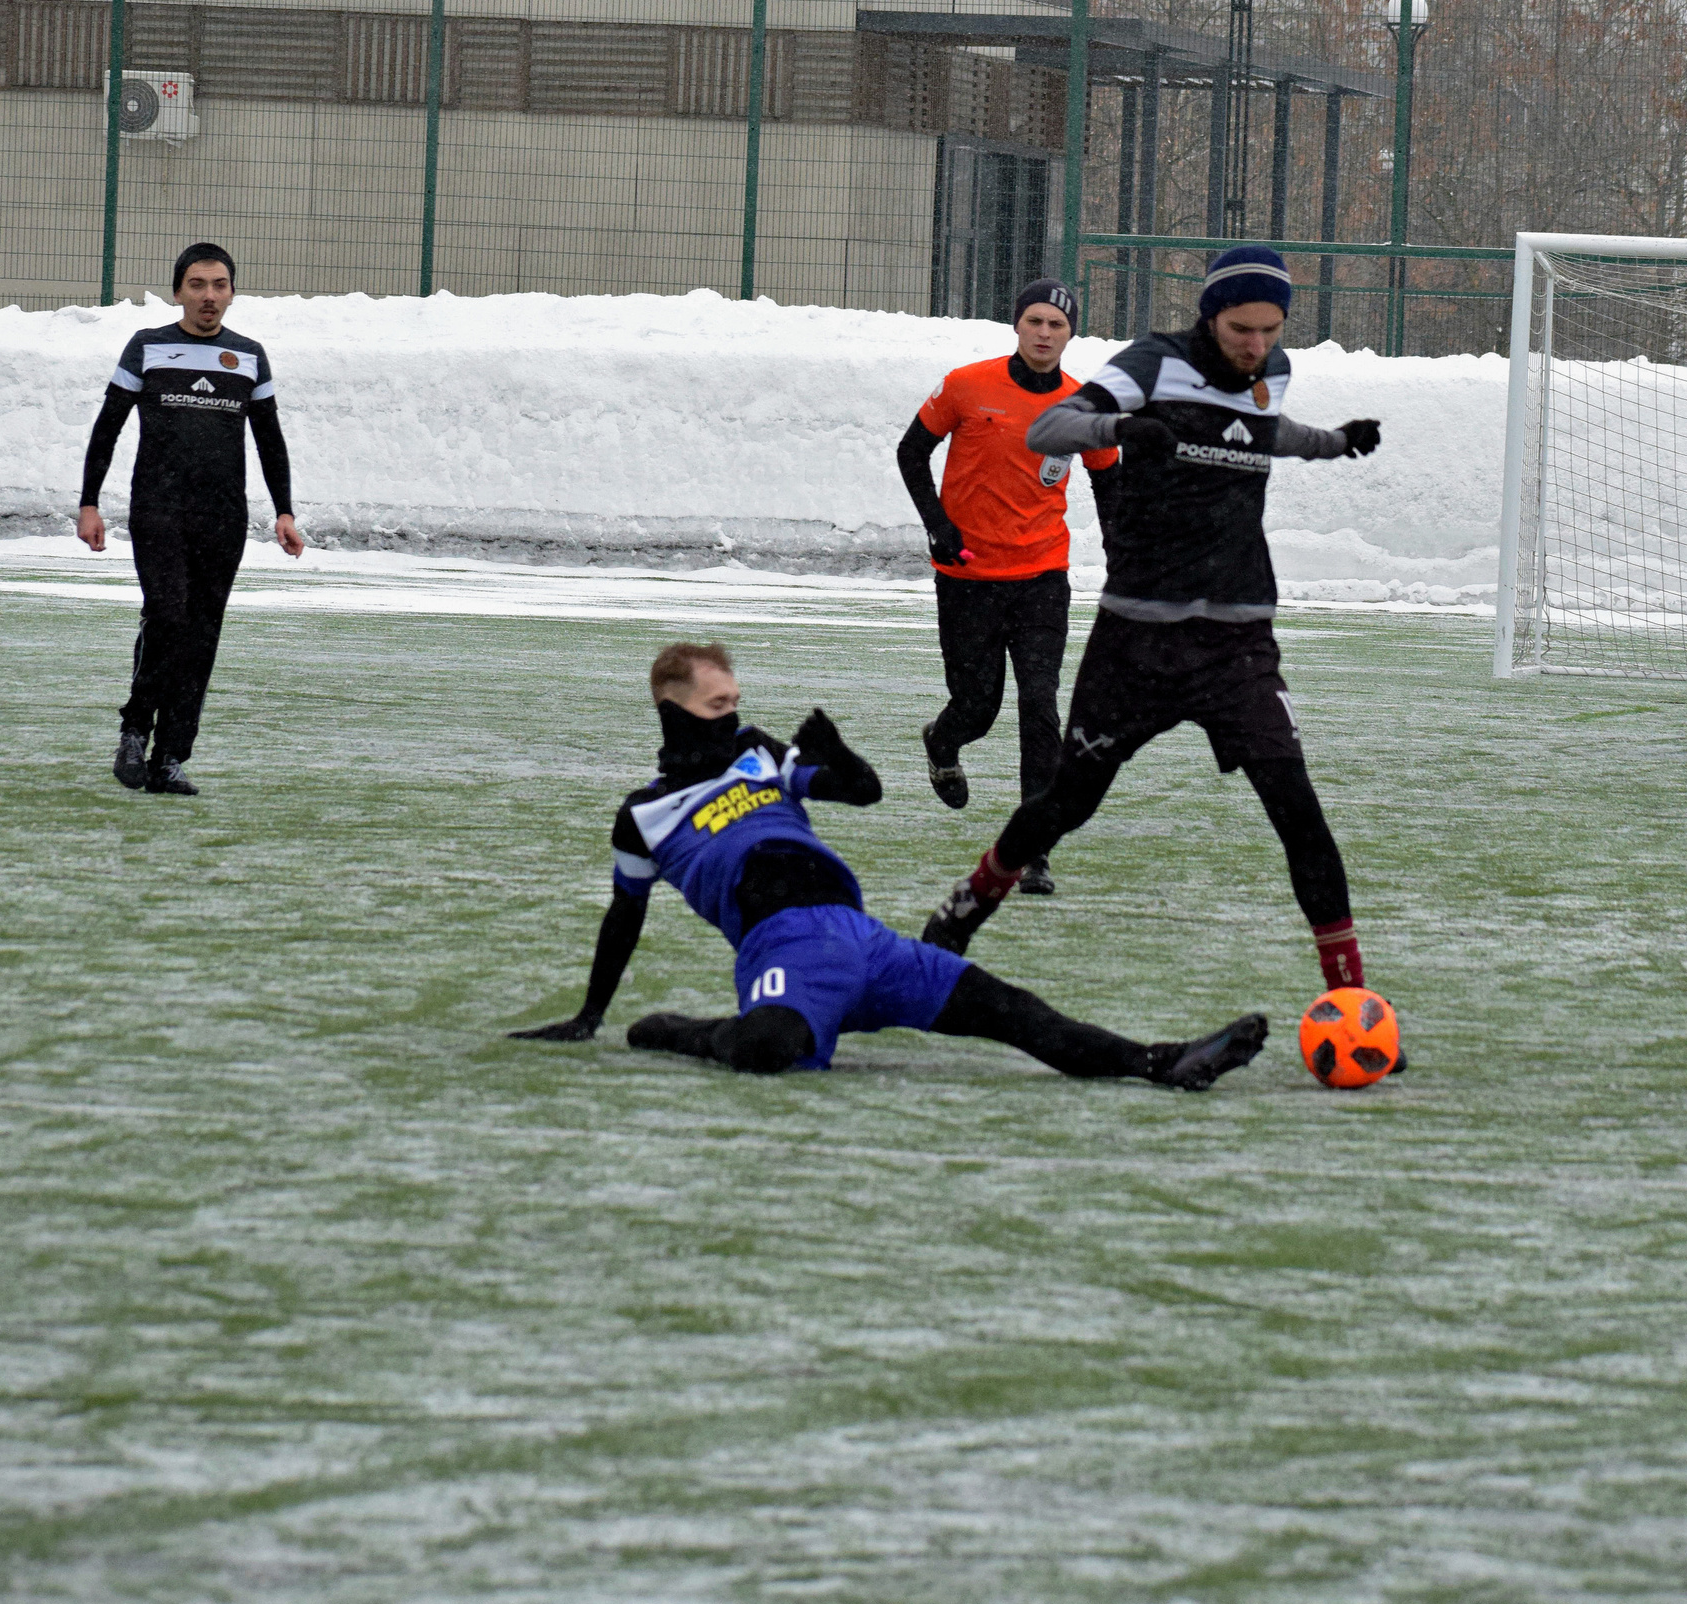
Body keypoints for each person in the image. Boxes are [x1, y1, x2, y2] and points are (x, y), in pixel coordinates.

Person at [918, 246, 1383, 994]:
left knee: (1298, 809)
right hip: (1137, 638)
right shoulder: (1152, 364)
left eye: (1271, 329)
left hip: (1238, 641)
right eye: (1241, 328)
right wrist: (1119, 431)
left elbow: (1265, 432)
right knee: (1066, 803)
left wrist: (1334, 442)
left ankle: (1351, 992)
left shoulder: (1272, 371)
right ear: (1209, 313)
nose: (1256, 346)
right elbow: (1050, 430)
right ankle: (961, 914)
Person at [510, 639, 1267, 1089]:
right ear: (671, 707)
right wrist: (590, 1016)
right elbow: (624, 915)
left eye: (737, 700)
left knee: (1019, 1013)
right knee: (767, 1048)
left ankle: (1161, 1061)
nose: (733, 717)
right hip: (783, 950)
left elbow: (863, 791)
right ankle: (683, 1031)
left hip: (864, 940)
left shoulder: (758, 754)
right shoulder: (643, 813)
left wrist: (836, 757)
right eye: (716, 706)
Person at [899, 279, 1119, 896]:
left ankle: (1033, 849)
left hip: (1042, 579)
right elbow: (910, 454)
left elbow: (1110, 482)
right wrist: (939, 528)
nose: (1045, 333)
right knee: (978, 706)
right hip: (968, 578)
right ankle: (943, 741)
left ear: (1071, 334)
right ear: (1017, 326)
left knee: (1040, 705)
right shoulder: (967, 385)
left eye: (1057, 325)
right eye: (1035, 321)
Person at [78, 242, 306, 795]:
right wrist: (89, 502)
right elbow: (107, 426)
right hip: (157, 508)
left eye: (219, 285)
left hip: (222, 516)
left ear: (232, 292)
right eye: (198, 285)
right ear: (179, 290)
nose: (209, 296)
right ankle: (134, 730)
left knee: (202, 634)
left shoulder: (248, 356)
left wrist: (284, 510)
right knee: (168, 614)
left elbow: (269, 439)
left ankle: (171, 756)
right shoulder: (148, 347)